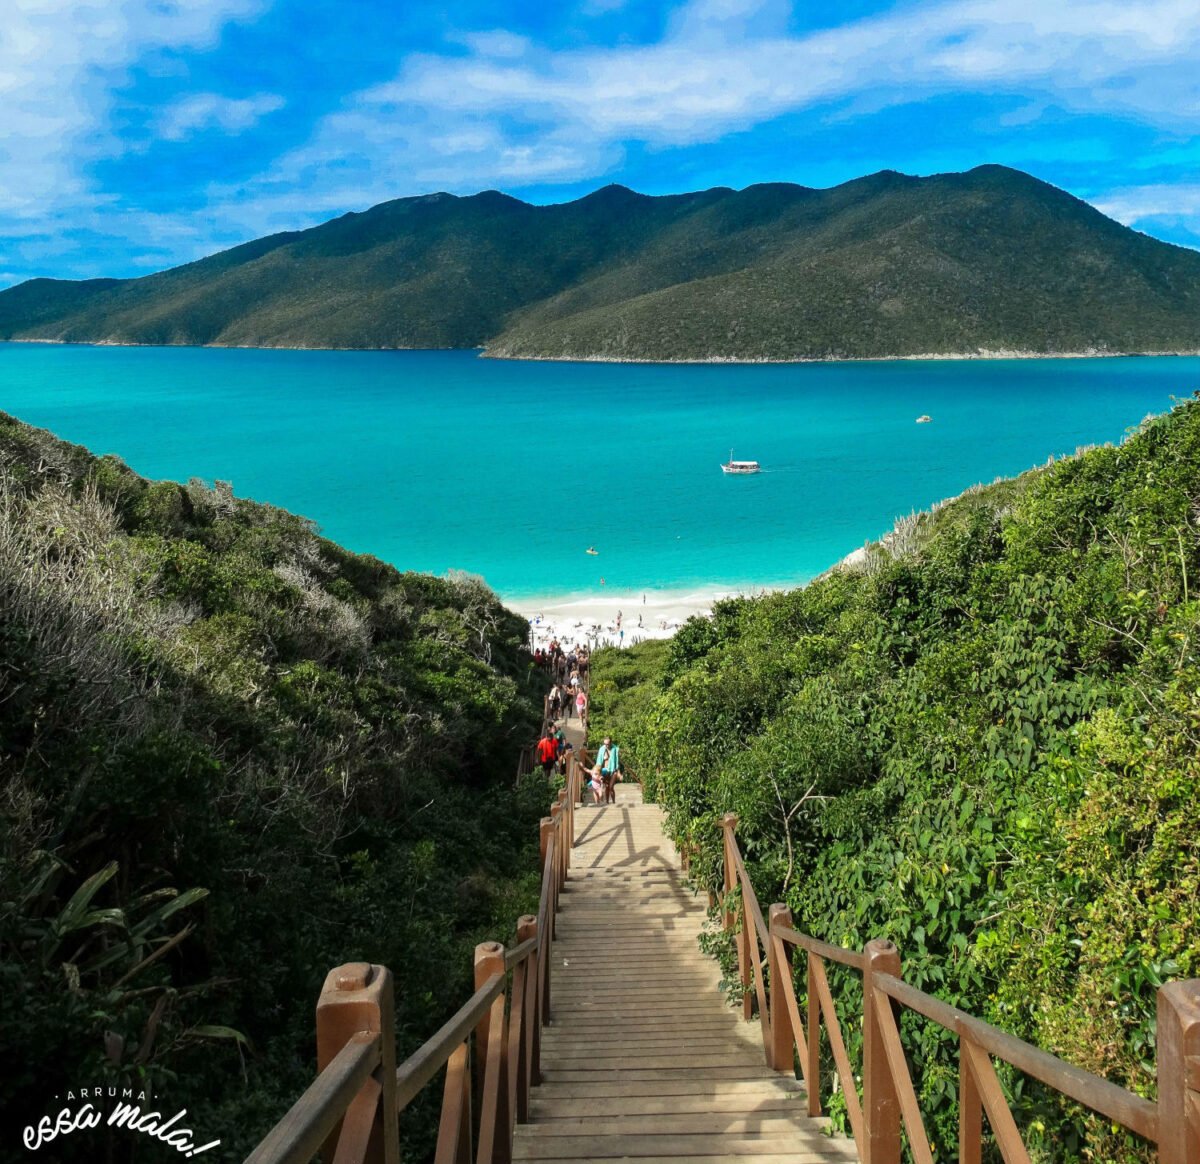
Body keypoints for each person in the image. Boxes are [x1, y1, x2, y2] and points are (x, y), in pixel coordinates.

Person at [594, 735, 620, 804]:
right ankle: (607, 802)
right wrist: (597, 771)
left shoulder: (615, 749)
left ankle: (614, 802)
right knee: (607, 787)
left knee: (611, 787)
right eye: (605, 744)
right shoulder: (602, 749)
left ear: (611, 743)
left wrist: (617, 769)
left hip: (613, 770)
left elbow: (617, 761)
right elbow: (599, 762)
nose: (606, 746)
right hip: (605, 770)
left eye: (608, 744)